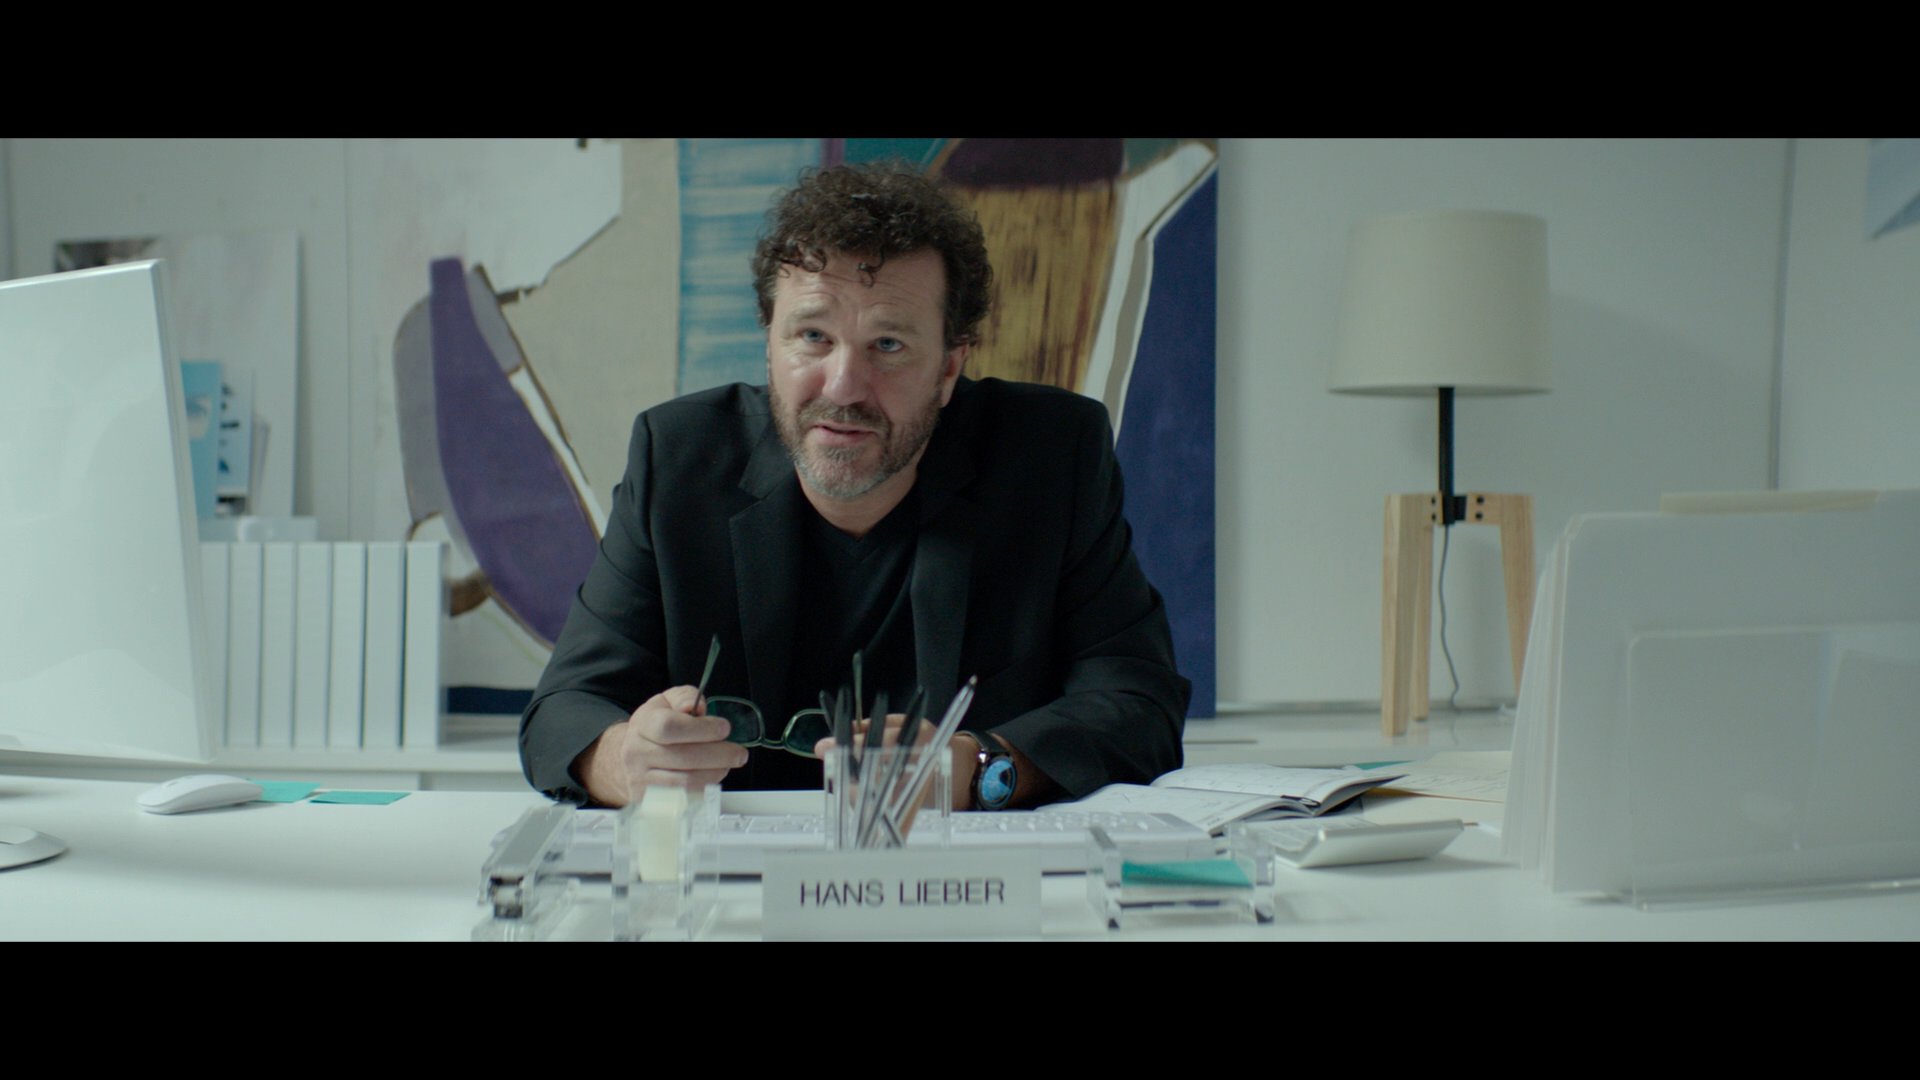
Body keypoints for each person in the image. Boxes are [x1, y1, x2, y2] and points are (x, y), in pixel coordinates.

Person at [519, 162, 1188, 810]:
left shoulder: (1049, 456)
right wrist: (625, 760)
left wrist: (982, 769)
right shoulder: (678, 460)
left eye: (888, 345)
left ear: (949, 367)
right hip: (732, 876)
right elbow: (562, 712)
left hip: (957, 873)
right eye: (813, 336)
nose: (843, 388)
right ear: (770, 345)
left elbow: (1140, 704)